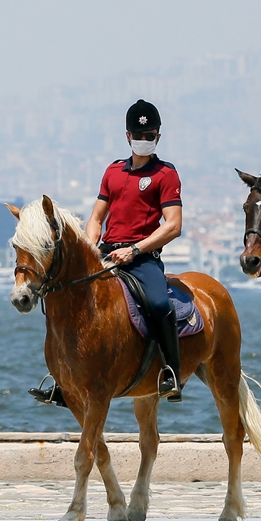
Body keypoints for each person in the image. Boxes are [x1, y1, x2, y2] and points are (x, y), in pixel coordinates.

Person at [86, 99, 185, 400]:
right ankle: (64, 375)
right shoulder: (113, 172)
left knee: (158, 304)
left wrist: (135, 250)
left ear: (158, 136)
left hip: (142, 258)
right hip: (106, 253)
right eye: (139, 136)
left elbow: (173, 225)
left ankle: (172, 373)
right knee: (69, 297)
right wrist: (90, 248)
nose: (144, 141)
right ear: (128, 136)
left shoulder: (165, 174)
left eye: (150, 135)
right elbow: (96, 218)